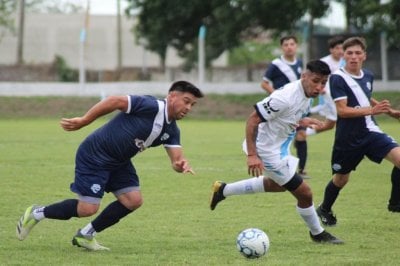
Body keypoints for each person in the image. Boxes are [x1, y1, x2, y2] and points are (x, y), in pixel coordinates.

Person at [16, 81, 204, 251]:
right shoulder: (152, 106)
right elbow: (115, 101)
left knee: (133, 200)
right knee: (87, 209)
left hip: (119, 162)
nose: (188, 108)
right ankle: (36, 213)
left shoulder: (171, 130)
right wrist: (84, 120)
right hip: (95, 155)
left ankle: (85, 235)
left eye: (192, 105)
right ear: (172, 96)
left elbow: (176, 160)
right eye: (186, 101)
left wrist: (181, 165)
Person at [210, 60, 343, 244]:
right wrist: (252, 155)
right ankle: (318, 233)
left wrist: (303, 121)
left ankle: (223, 190)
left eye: (323, 82)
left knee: (281, 185)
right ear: (304, 76)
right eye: (316, 81)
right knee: (305, 193)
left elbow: (287, 116)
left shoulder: (306, 96)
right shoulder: (284, 97)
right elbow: (252, 120)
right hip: (265, 150)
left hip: (280, 148)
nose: (319, 87)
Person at [316, 37, 400, 227]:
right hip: (348, 138)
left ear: (364, 55)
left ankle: (396, 203)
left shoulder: (368, 75)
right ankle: (324, 209)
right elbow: (342, 111)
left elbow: (366, 97)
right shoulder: (337, 78)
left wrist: (390, 111)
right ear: (343, 56)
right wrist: (372, 110)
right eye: (349, 53)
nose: (353, 57)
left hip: (371, 132)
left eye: (357, 53)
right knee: (341, 179)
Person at [261, 35, 309, 178]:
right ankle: (278, 165)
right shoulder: (276, 64)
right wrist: (276, 94)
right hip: (281, 108)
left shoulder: (300, 63)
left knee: (301, 135)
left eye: (292, 44)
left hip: (298, 107)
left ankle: (301, 170)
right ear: (282, 47)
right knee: (282, 137)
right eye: (286, 44)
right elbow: (264, 83)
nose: (289, 47)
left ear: (296, 46)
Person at [308, 36, 344, 135]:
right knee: (337, 118)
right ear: (331, 50)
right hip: (327, 94)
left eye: (342, 48)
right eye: (337, 48)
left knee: (331, 123)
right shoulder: (324, 62)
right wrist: (321, 89)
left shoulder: (345, 62)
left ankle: (305, 131)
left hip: (339, 95)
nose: (340, 51)